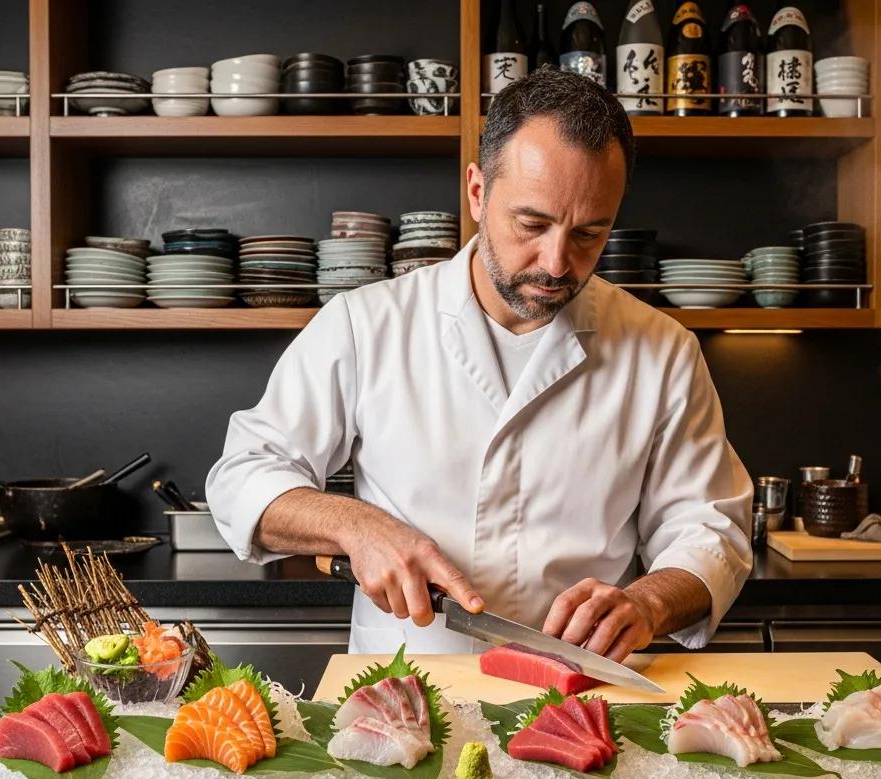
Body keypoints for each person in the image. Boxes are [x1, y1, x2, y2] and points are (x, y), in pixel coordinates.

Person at [206, 68, 753, 660]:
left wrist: (648, 603)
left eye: (589, 233)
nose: (557, 262)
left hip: (579, 693)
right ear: (477, 192)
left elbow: (709, 529)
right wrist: (356, 526)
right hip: (407, 690)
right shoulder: (366, 325)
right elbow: (242, 477)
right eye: (532, 224)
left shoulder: (662, 350)